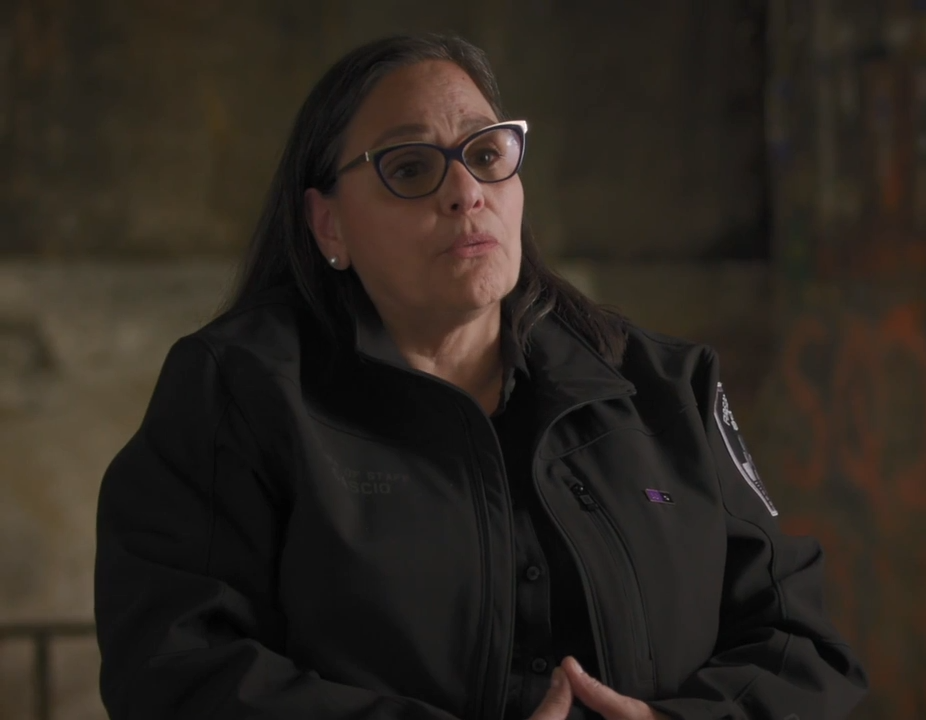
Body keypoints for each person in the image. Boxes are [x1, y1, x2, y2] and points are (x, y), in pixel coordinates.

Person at [92, 33, 867, 720]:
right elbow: (170, 668)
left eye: (487, 155)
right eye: (408, 168)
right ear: (329, 224)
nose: (465, 192)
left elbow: (800, 643)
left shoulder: (665, 387)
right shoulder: (239, 390)